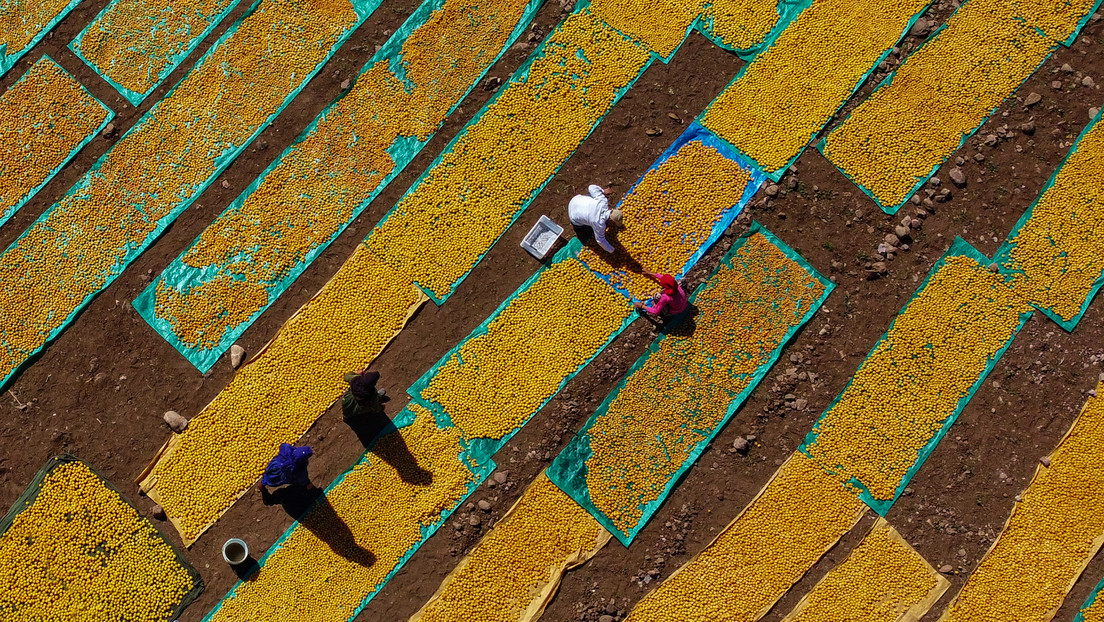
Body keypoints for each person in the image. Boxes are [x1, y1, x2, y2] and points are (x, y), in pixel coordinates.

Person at [568, 184, 622, 253]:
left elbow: (591, 187)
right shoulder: (599, 224)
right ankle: (584, 240)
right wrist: (612, 250)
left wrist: (602, 191)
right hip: (573, 215)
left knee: (592, 196)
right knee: (586, 232)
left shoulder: (603, 202)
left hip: (576, 200)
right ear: (610, 220)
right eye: (613, 223)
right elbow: (600, 241)